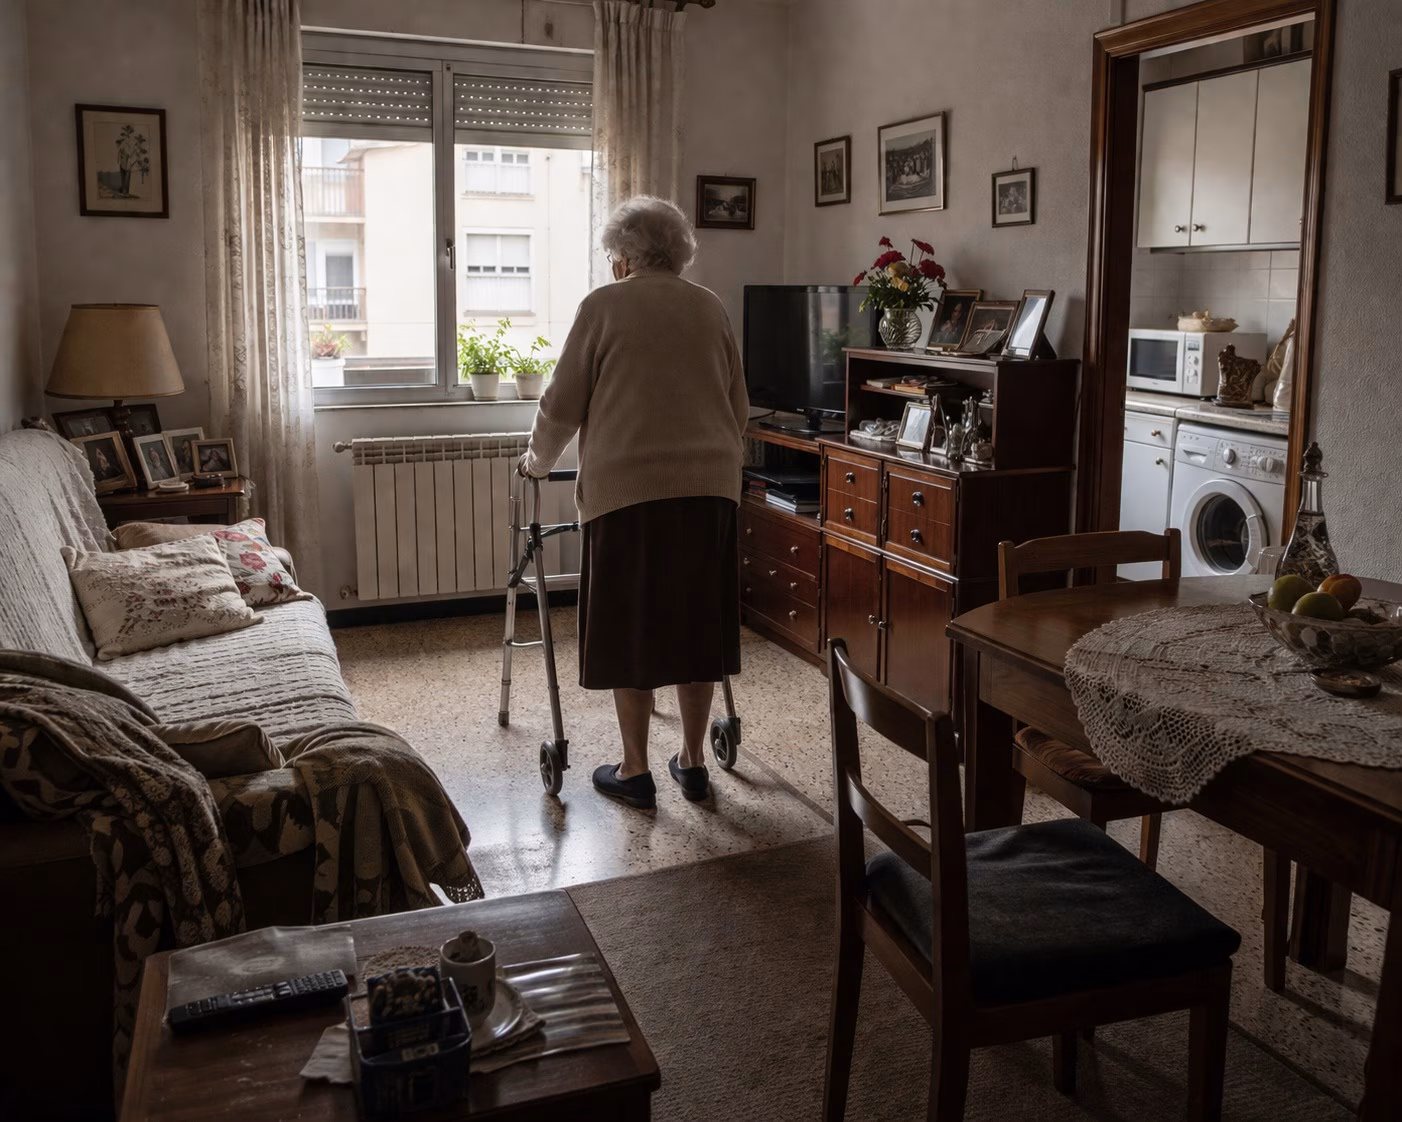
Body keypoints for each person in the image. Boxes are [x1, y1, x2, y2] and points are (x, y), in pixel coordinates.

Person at [519, 196, 748, 811]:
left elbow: (562, 403)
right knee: (698, 624)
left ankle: (636, 768)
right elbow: (738, 406)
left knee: (633, 624)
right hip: (709, 488)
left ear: (622, 259)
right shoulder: (710, 307)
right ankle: (694, 762)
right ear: (677, 253)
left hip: (628, 493)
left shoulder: (603, 305)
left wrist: (536, 462)